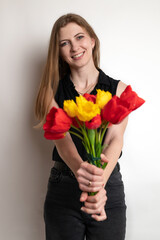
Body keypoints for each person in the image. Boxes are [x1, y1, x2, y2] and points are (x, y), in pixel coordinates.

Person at [35, 13, 128, 240]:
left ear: (92, 40)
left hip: (107, 189)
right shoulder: (51, 92)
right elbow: (64, 142)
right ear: (57, 51)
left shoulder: (120, 90)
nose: (74, 47)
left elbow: (114, 140)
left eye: (79, 37)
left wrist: (99, 188)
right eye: (64, 43)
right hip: (64, 189)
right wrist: (89, 183)